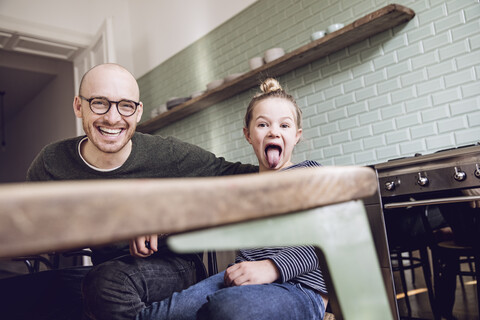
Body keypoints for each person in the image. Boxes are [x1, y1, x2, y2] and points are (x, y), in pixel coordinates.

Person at [2, 63, 257, 320]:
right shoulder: (51, 162)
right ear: (79, 106)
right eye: (99, 102)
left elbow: (237, 179)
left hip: (175, 266)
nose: (113, 118)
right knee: (12, 295)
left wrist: (162, 218)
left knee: (106, 282)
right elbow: (30, 227)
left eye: (125, 105)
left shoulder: (168, 155)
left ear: (138, 112)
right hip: (106, 269)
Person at [136, 78, 328, 320]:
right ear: (248, 135)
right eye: (262, 124)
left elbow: (326, 239)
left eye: (284, 126)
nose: (273, 132)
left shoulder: (309, 174)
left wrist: (271, 268)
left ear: (297, 135)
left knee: (225, 308)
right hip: (240, 279)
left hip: (299, 289)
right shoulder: (245, 188)